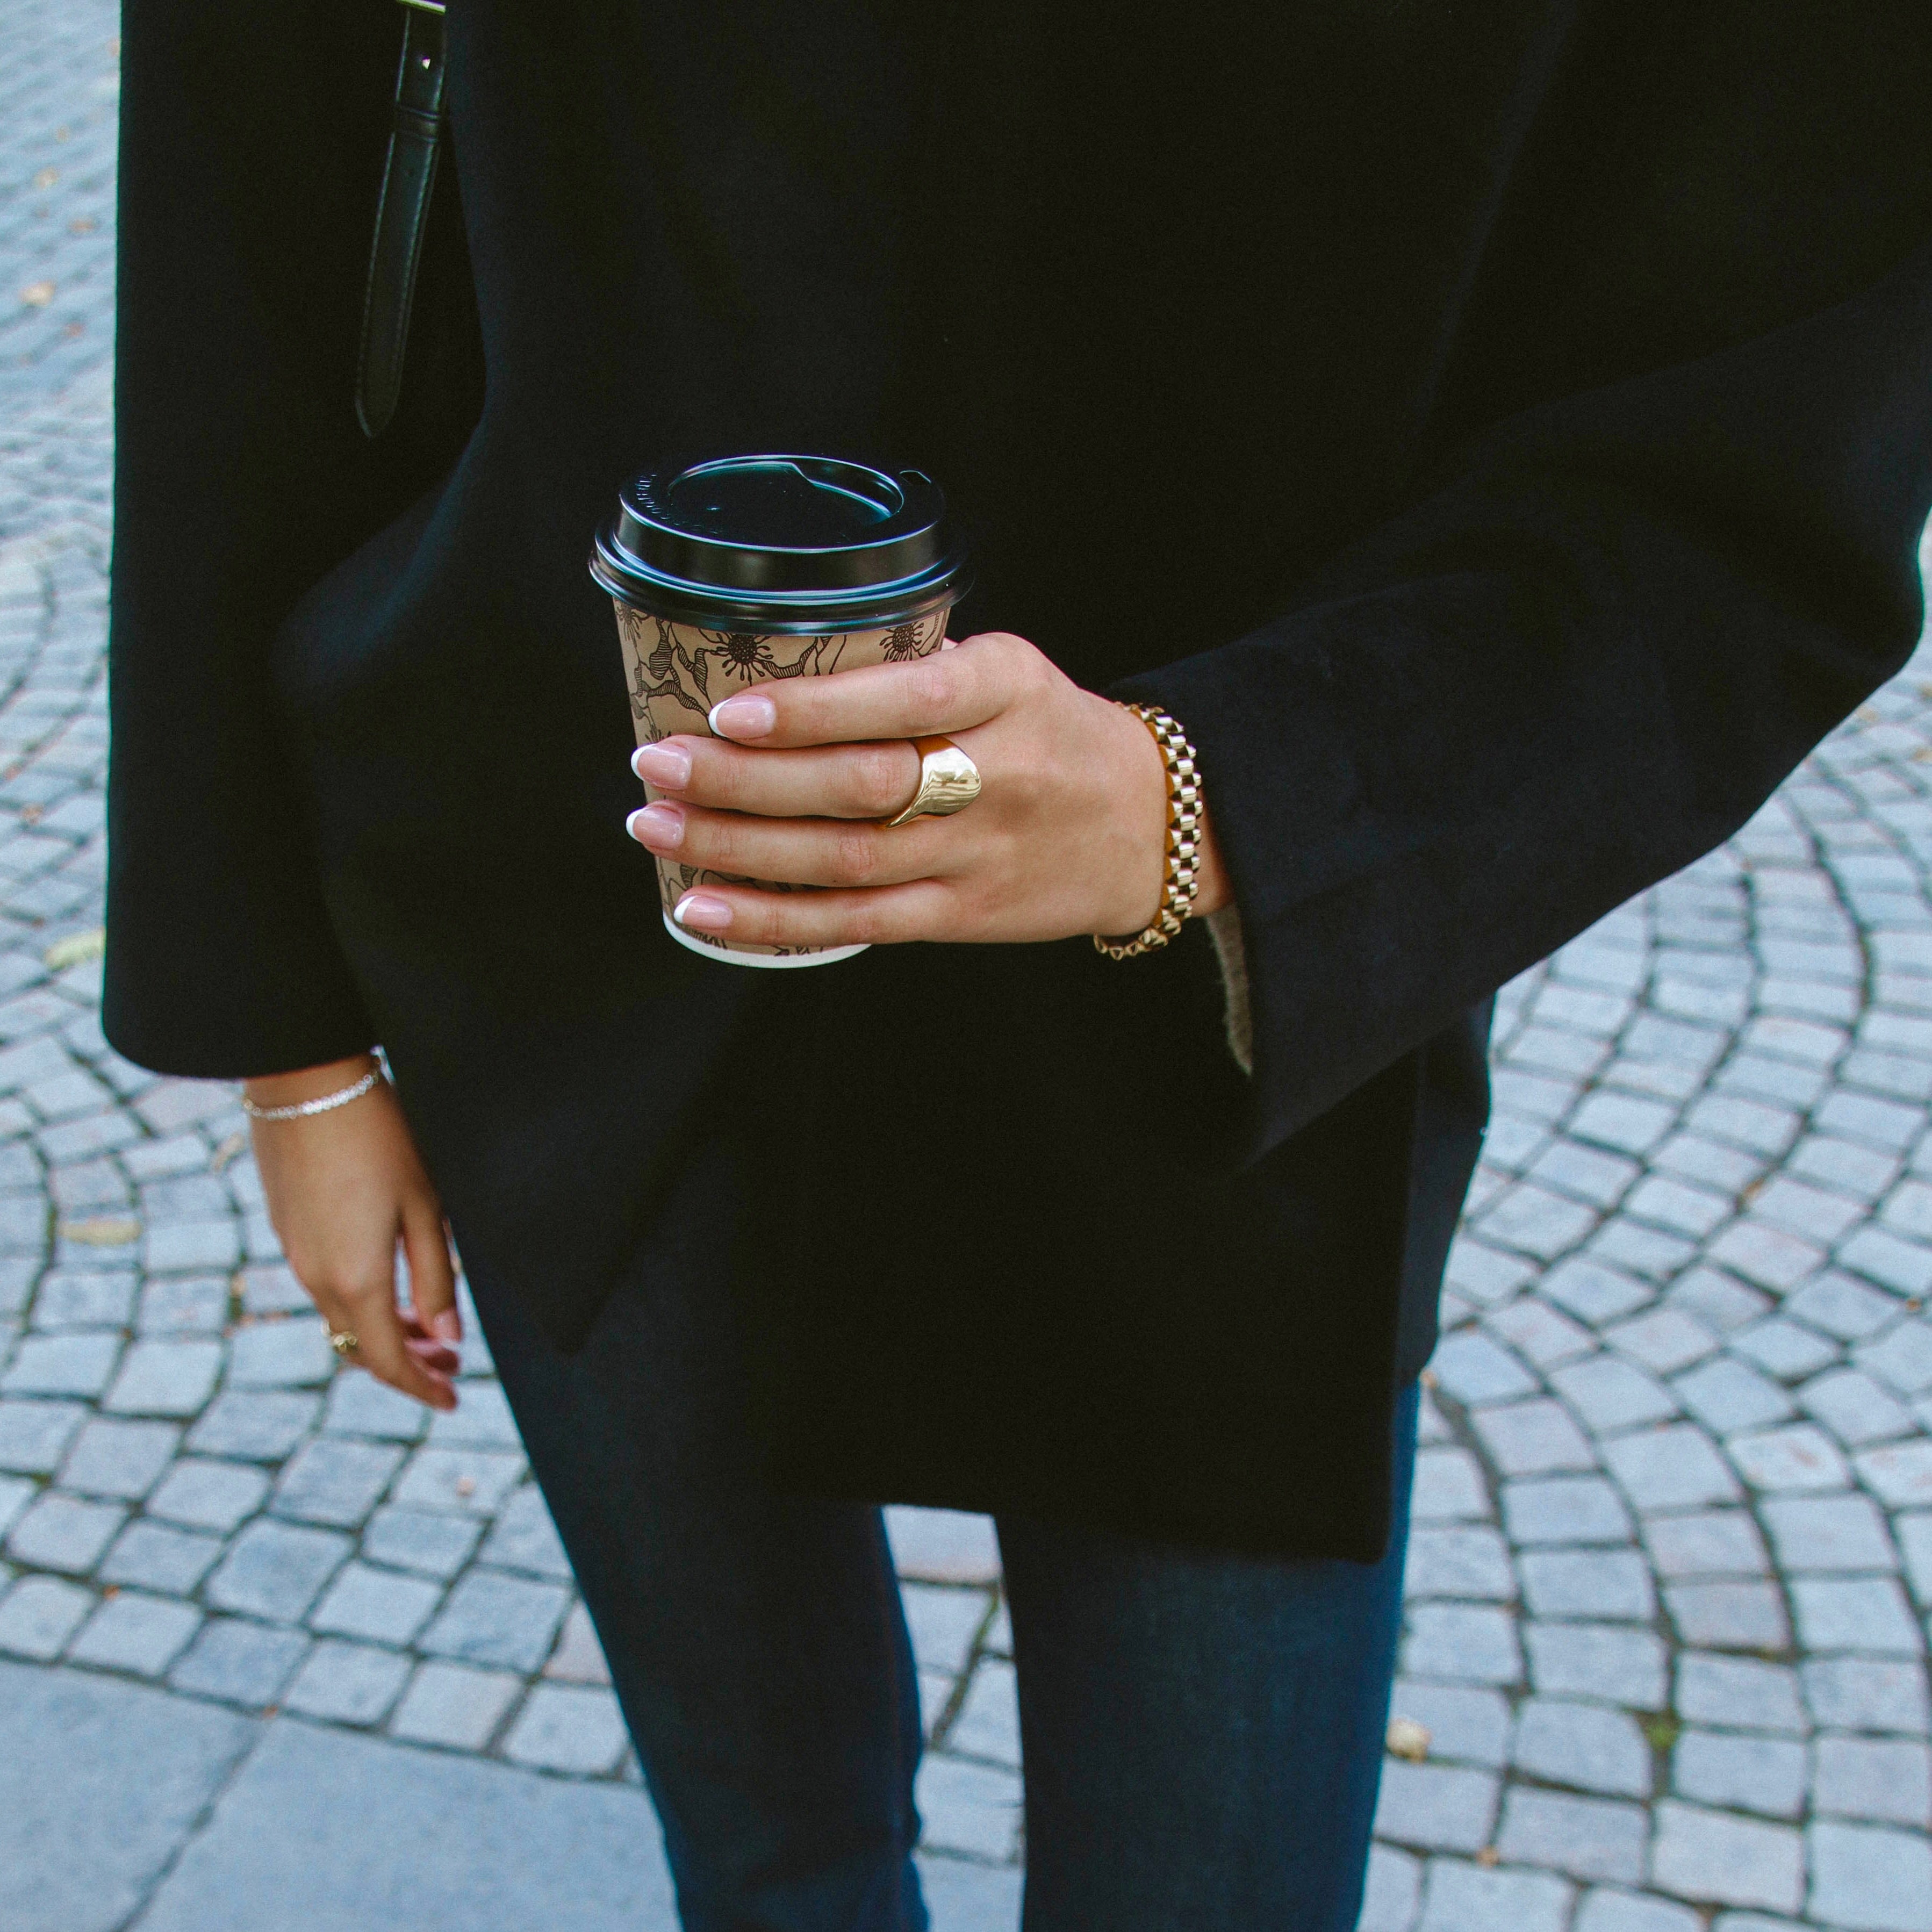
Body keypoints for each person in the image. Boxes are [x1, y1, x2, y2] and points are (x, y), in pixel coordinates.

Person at [106, 4, 1932, 1926]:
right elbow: (248, 170)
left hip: (1226, 987)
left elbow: (1782, 391)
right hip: (569, 852)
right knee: (771, 1870)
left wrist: (1240, 802)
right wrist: (286, 1033)